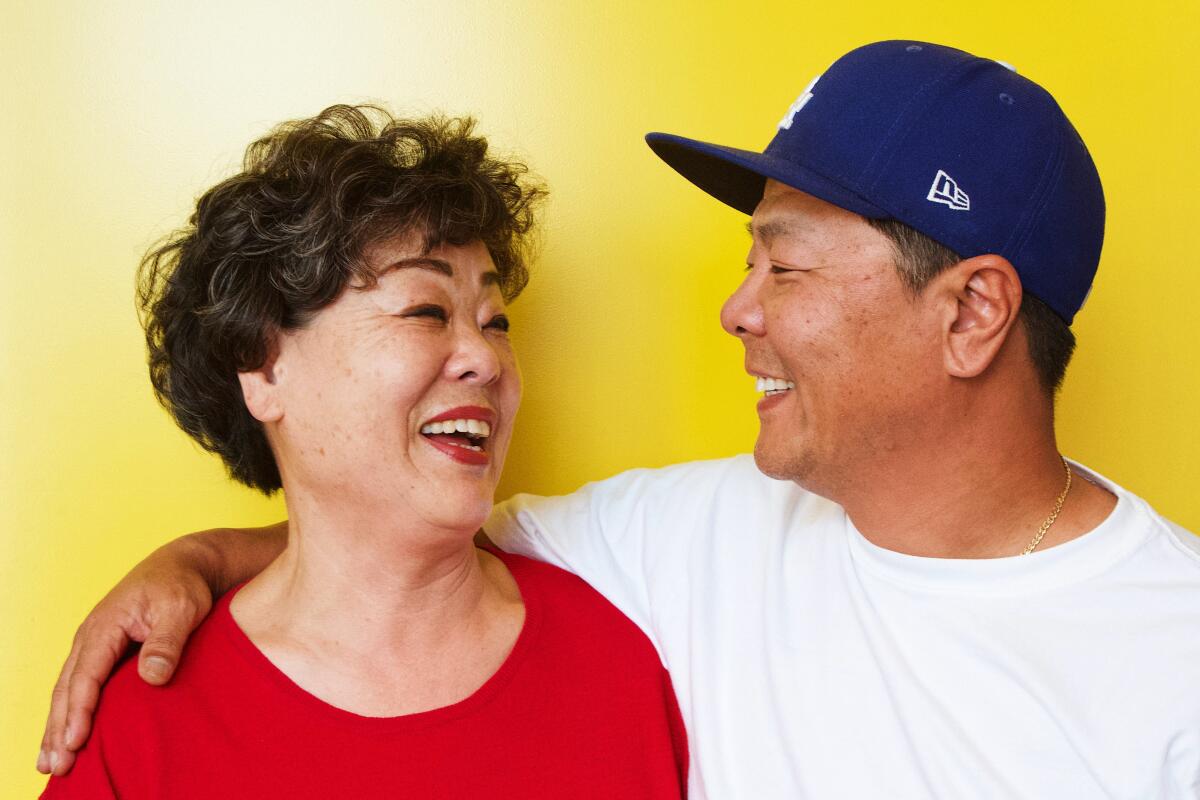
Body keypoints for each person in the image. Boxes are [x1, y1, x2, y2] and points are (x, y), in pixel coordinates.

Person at [40, 41, 1200, 798]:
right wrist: (192, 561)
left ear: (973, 312)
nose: (735, 310)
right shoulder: (682, 541)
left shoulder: (1173, 661)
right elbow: (387, 553)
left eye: (783, 269)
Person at [39, 105, 688, 798]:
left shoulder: (627, 660)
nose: (485, 359)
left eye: (495, 322)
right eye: (425, 311)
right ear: (263, 368)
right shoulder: (147, 716)